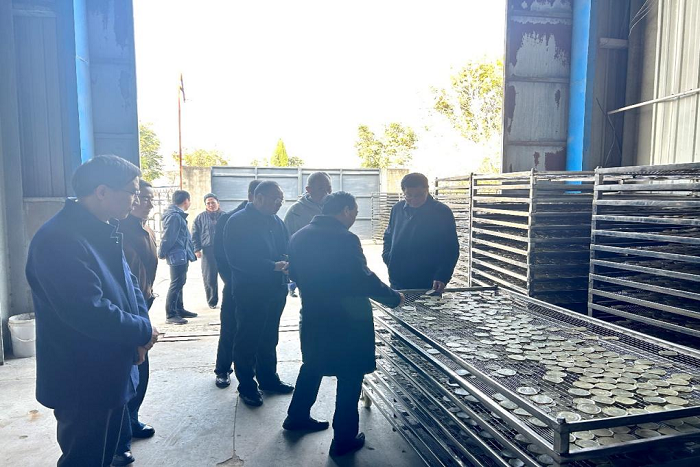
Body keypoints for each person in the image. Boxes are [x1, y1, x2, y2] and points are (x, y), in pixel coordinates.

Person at [25, 155, 158, 467]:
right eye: (132, 191)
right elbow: (88, 311)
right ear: (102, 192)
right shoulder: (59, 239)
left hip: (111, 368)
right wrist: (141, 330)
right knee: (84, 457)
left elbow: (130, 285)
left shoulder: (101, 229)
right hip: (82, 377)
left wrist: (141, 332)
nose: (136, 199)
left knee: (106, 454)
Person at [284, 191, 404, 456]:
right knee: (350, 374)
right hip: (347, 319)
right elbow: (362, 278)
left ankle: (296, 417)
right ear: (347, 210)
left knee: (312, 365)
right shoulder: (345, 238)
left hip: (313, 314)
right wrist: (393, 298)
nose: (354, 218)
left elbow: (293, 274)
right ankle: (344, 439)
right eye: (355, 213)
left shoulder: (299, 236)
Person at [224, 181, 294, 406]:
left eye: (281, 200)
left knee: (269, 337)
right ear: (258, 197)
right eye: (275, 199)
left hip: (276, 290)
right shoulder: (238, 221)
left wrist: (288, 263)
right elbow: (237, 259)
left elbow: (286, 247)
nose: (279, 203)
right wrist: (272, 266)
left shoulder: (276, 221)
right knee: (248, 339)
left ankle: (268, 379)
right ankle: (246, 386)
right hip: (250, 291)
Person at [113, 179, 159, 466]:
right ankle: (119, 444)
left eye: (149, 198)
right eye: (139, 196)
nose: (146, 202)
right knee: (125, 375)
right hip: (124, 312)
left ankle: (132, 420)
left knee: (141, 372)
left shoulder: (146, 230)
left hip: (142, 306)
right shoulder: (116, 230)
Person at [213, 179, 261, 389]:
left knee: (254, 329)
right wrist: (231, 279)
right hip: (235, 283)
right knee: (230, 327)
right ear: (251, 196)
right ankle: (223, 369)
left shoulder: (267, 219)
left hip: (258, 285)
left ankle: (254, 369)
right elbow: (220, 254)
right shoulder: (229, 218)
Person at [382, 172, 460, 293]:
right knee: (399, 306)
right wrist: (388, 257)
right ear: (403, 192)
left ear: (427, 190)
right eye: (409, 195)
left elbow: (451, 248)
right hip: (398, 279)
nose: (414, 200)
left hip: (429, 281)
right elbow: (388, 235)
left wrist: (442, 276)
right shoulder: (396, 209)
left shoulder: (441, 212)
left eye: (419, 195)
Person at [283, 172, 332, 297]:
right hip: (309, 270)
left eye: (329, 188)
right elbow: (287, 241)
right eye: (321, 189)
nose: (326, 193)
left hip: (333, 268)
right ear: (308, 190)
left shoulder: (335, 208)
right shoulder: (296, 212)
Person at [159, 190, 197, 324]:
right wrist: (162, 252)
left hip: (181, 253)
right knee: (176, 283)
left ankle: (179, 309)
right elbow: (168, 236)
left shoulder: (177, 215)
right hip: (177, 254)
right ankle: (171, 314)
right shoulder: (175, 216)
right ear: (186, 200)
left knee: (180, 281)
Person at [192, 193, 224, 309]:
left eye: (213, 202)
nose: (211, 205)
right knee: (209, 278)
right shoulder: (200, 218)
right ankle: (212, 301)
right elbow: (194, 234)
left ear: (218, 203)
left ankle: (230, 299)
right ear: (205, 205)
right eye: (208, 203)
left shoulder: (225, 216)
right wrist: (196, 249)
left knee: (227, 275)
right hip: (208, 250)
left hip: (223, 250)